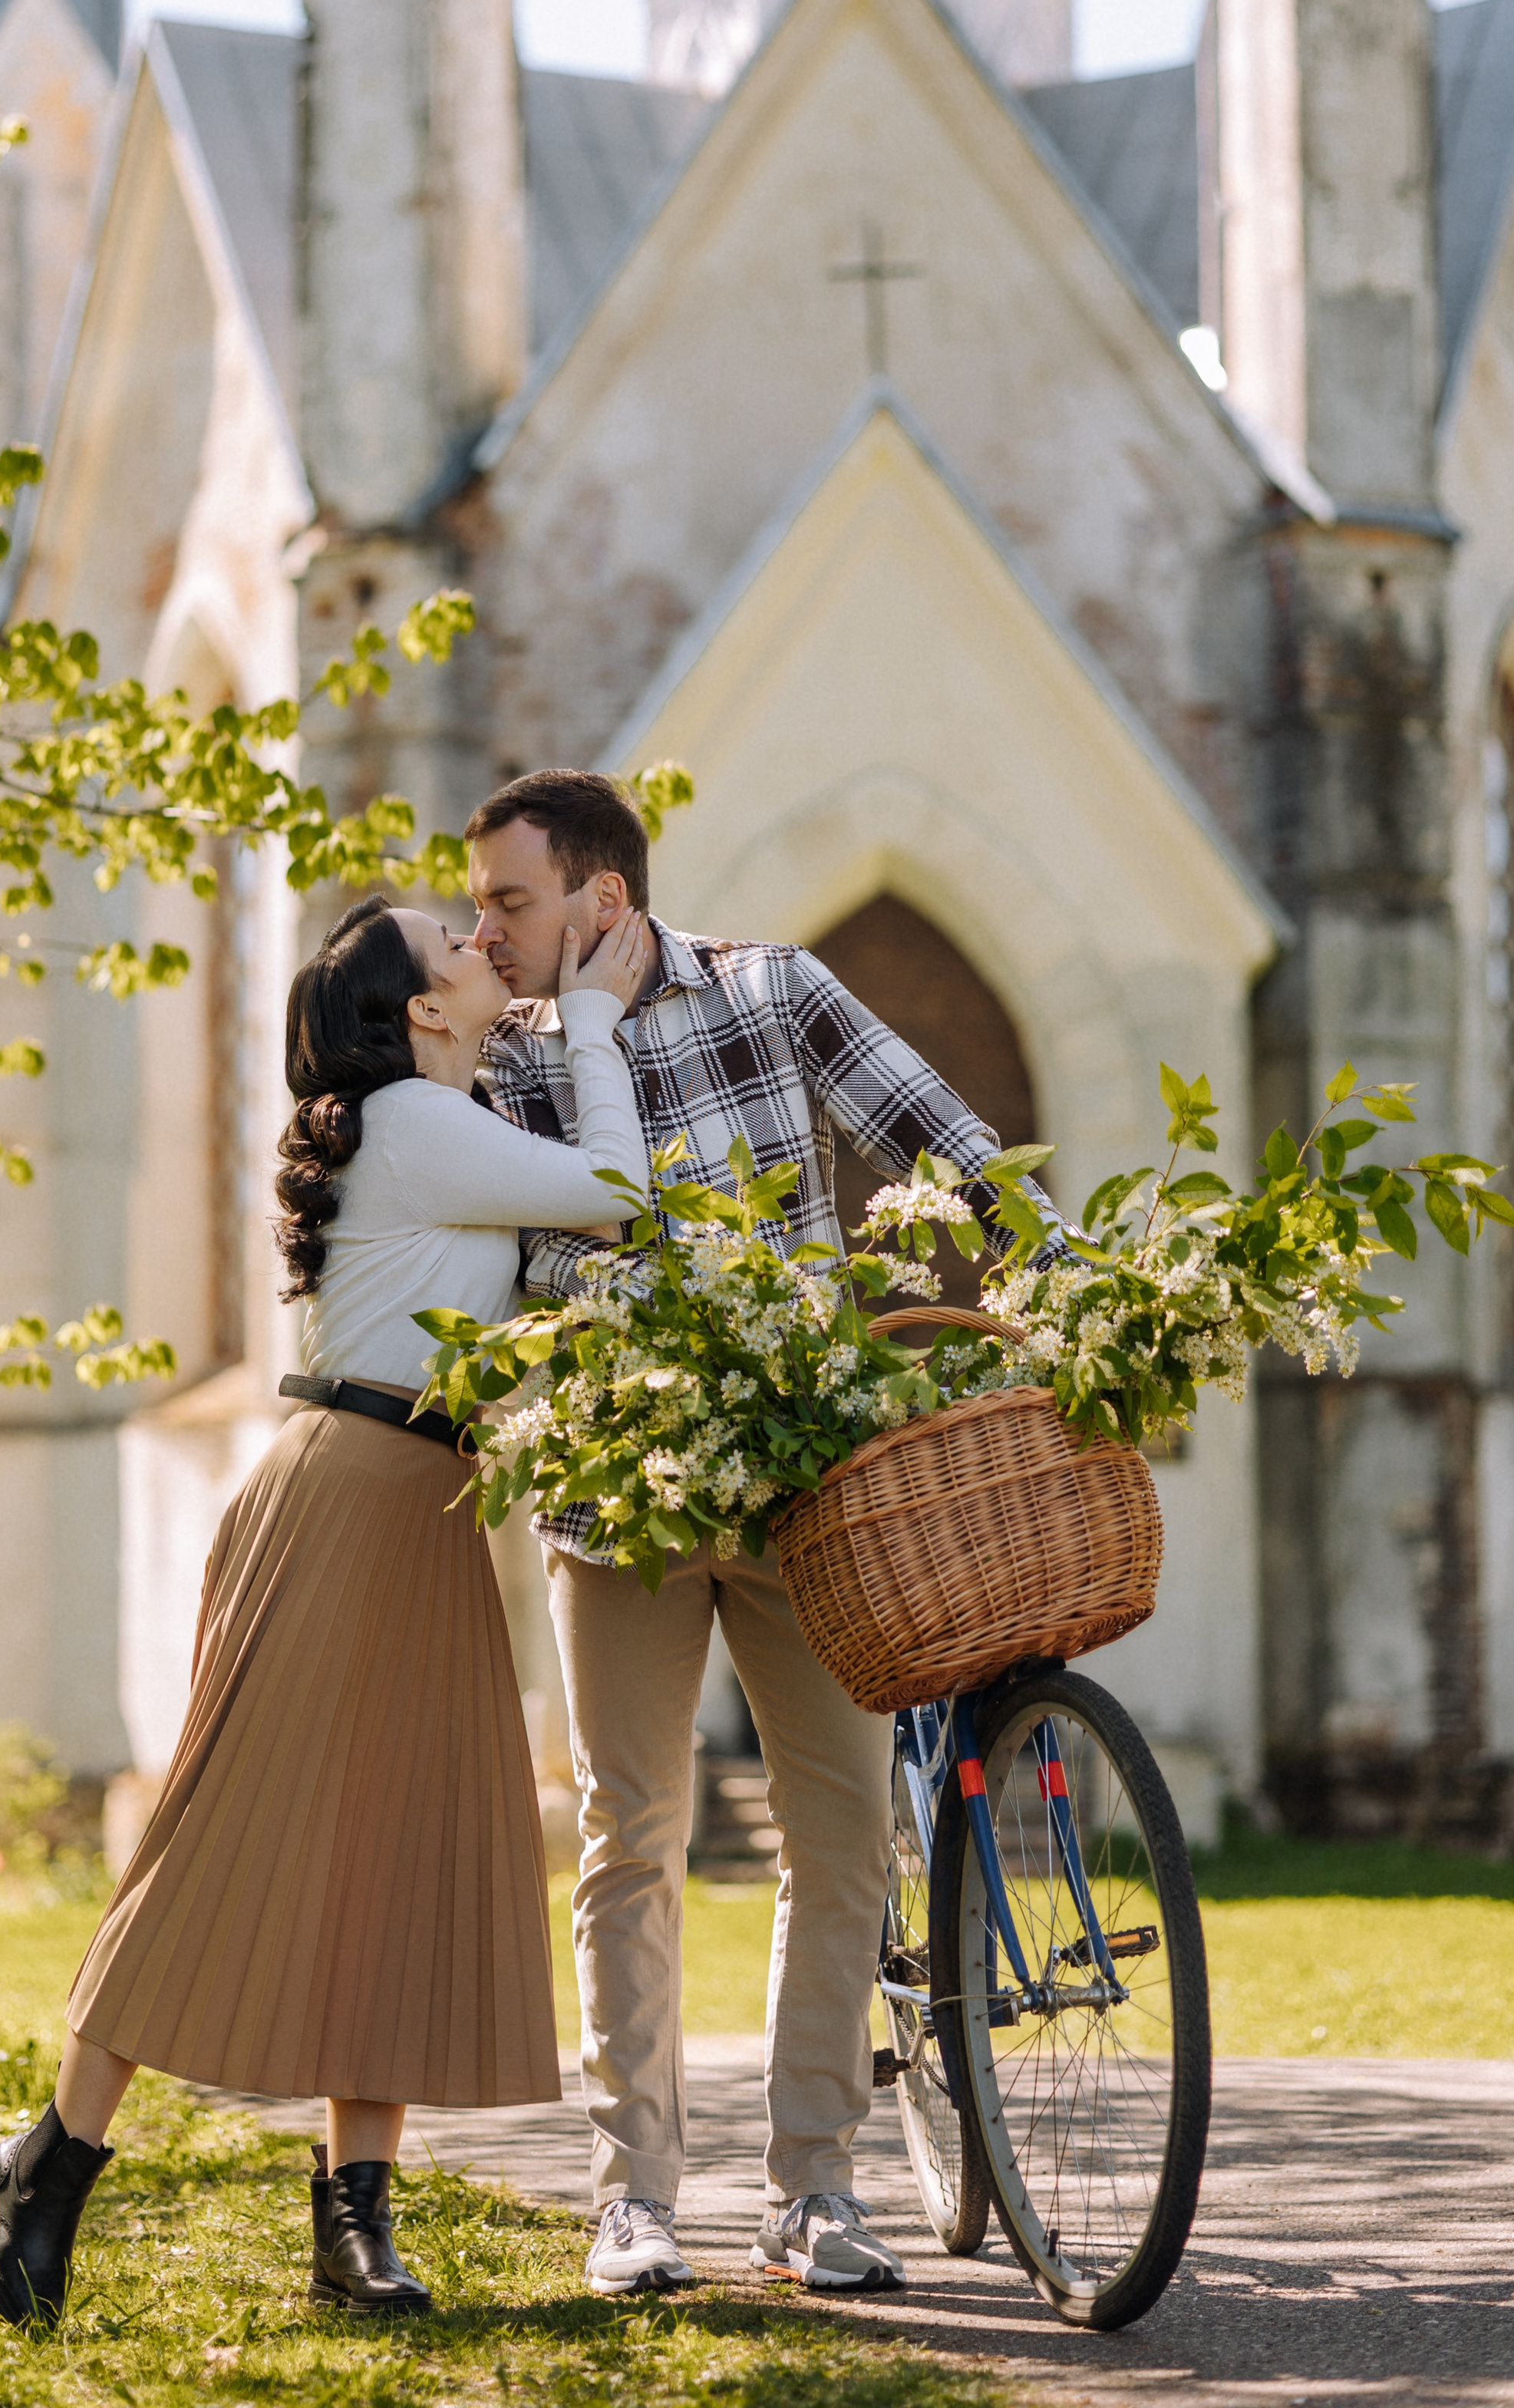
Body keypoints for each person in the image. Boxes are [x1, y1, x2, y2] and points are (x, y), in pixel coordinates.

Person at [0, 889, 654, 2330]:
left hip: (423, 1510)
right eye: (454, 945)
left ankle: (355, 2228)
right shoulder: (410, 1124)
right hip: (348, 1499)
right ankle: (51, 2172)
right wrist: (590, 1017)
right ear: (416, 1009)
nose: (480, 943)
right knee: (223, 1843)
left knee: (393, 1865)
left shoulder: (444, 1123)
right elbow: (621, 1193)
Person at [467, 770, 1066, 2298]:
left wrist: (1071, 1280)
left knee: (843, 1837)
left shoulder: (770, 990)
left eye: (510, 901)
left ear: (602, 897)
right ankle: (633, 2201)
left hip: (804, 1481)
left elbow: (940, 1141)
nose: (485, 930)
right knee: (630, 1838)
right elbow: (517, 1253)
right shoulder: (512, 1057)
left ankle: (813, 2194)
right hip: (621, 1502)